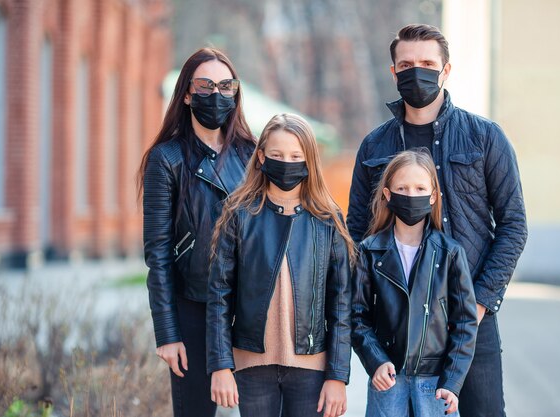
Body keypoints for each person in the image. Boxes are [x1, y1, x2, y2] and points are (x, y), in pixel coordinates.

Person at [346, 24, 528, 417]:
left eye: (427, 63)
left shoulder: (485, 138)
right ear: (393, 73)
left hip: (471, 325)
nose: (417, 72)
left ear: (446, 70)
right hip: (398, 330)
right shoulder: (374, 146)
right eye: (406, 64)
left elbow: (513, 225)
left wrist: (477, 303)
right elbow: (356, 231)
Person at [206, 113, 354, 417]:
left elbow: (341, 305)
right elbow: (219, 296)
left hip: (311, 366)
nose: (286, 162)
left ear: (310, 160)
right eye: (277, 155)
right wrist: (220, 364)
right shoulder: (239, 214)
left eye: (296, 156)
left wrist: (338, 375)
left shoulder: (328, 220)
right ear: (261, 157)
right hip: (252, 365)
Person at [138, 47, 256, 417]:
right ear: (187, 94)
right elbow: (157, 252)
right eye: (205, 86)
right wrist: (167, 333)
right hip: (194, 308)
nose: (216, 94)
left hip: (250, 307)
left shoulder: (253, 154)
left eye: (226, 85)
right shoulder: (167, 159)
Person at [352, 150, 477, 417]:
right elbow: (357, 316)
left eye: (420, 187)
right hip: (388, 378)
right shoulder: (369, 251)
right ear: (388, 195)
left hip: (436, 383)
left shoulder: (451, 253)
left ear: (433, 196)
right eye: (402, 188)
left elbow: (465, 323)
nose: (411, 195)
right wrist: (375, 361)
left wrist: (453, 382)